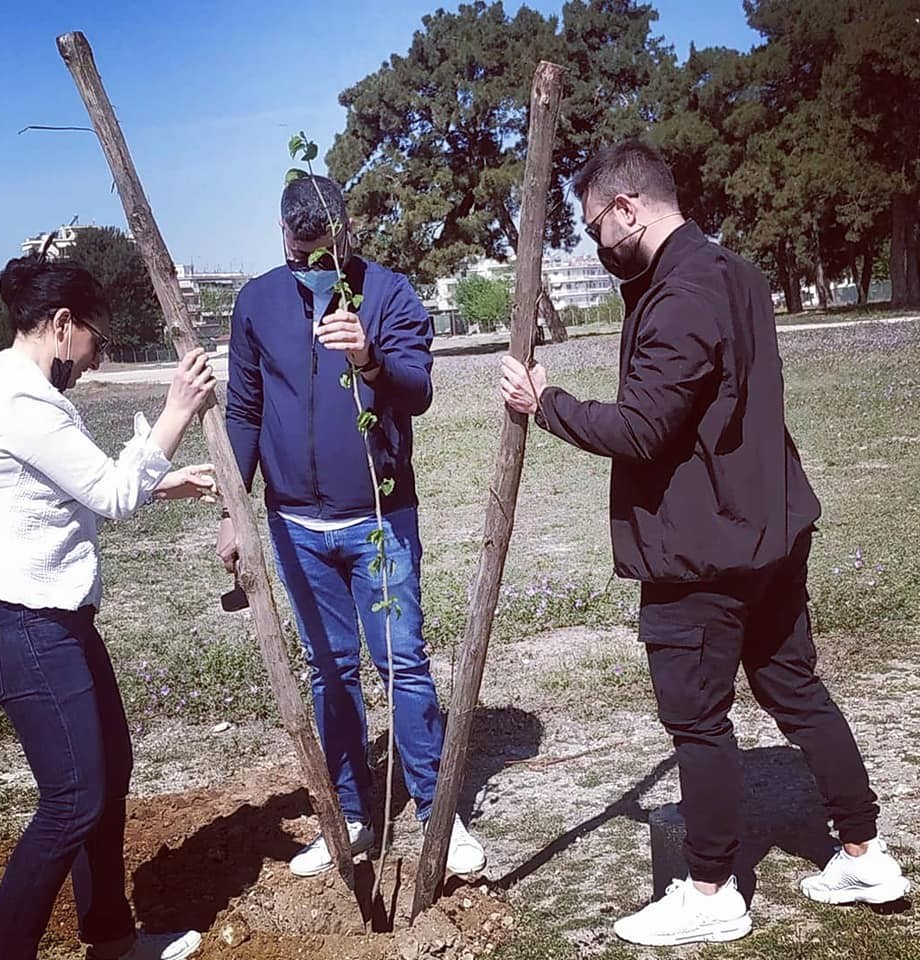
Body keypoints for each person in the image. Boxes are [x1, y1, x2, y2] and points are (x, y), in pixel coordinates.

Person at [500, 140, 910, 946]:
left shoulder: (682, 293)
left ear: (628, 207)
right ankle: (864, 853)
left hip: (706, 551)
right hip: (771, 531)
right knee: (798, 693)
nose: (597, 246)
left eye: (595, 229)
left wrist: (545, 403)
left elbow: (646, 428)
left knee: (698, 720)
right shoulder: (733, 272)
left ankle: (712, 891)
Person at [217, 175, 485, 878]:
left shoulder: (388, 293)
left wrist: (368, 356)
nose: (310, 264)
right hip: (296, 529)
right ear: (282, 235)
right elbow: (243, 411)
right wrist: (232, 511)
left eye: (324, 251)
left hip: (379, 521)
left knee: (403, 662)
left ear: (347, 235)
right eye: (300, 250)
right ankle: (355, 817)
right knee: (328, 668)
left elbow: (418, 392)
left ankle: (436, 813)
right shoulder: (256, 304)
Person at [0, 253, 217, 960]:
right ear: (61, 324)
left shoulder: (24, 393)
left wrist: (162, 483)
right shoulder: (18, 400)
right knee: (73, 799)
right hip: (25, 628)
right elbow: (108, 495)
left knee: (110, 771)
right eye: (94, 340)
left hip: (52, 625)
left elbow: (72, 490)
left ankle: (109, 938)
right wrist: (175, 412)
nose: (96, 358)